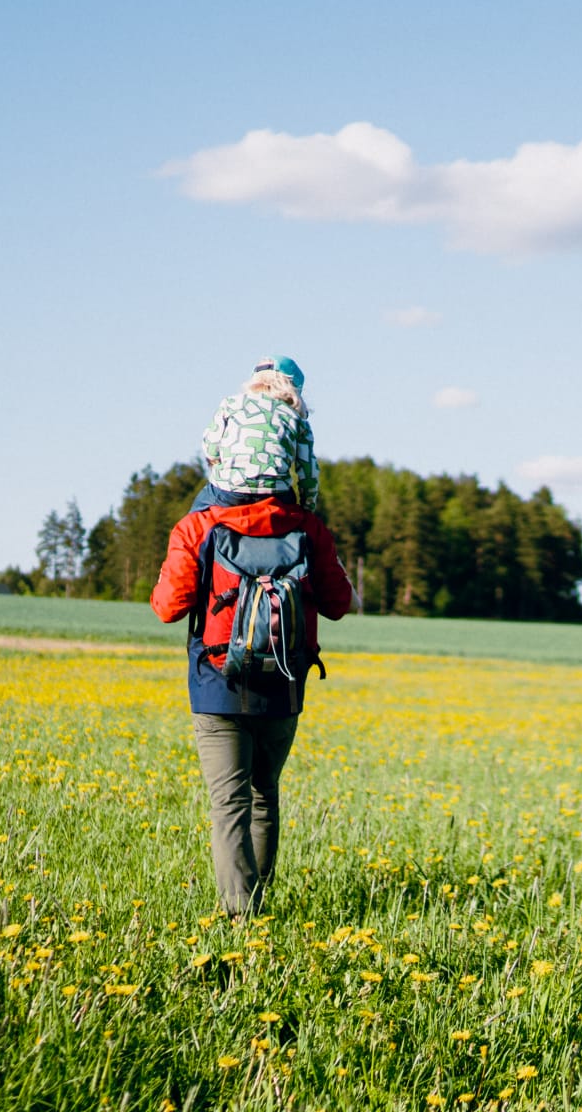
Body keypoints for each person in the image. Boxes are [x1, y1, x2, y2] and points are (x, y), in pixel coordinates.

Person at [151, 492, 352, 916]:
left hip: (216, 683)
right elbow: (338, 604)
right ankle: (256, 905)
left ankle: (243, 918)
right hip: (285, 681)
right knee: (264, 794)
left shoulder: (197, 526)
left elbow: (169, 607)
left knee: (229, 802)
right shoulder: (307, 526)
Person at [192, 355, 322, 514]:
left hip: (228, 491)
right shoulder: (297, 420)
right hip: (276, 494)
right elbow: (309, 473)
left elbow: (211, 447)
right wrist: (307, 508)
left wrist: (218, 463)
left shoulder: (231, 404)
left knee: (192, 525)